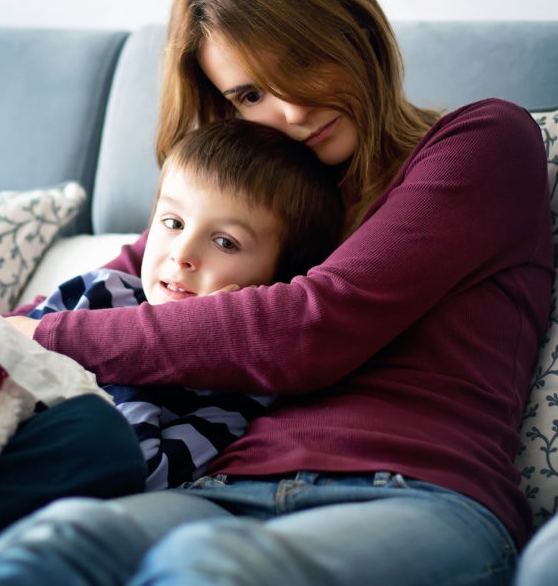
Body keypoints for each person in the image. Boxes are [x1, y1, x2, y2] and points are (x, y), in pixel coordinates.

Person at [0, 0, 556, 586]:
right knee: (57, 541)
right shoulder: (247, 210)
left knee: (206, 566)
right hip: (217, 489)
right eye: (250, 95)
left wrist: (42, 336)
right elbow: (91, 297)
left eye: (302, 62)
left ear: (357, 30)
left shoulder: (481, 142)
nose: (291, 111)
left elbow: (311, 329)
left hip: (413, 493)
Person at [25, 117, 345, 493]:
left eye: (225, 242)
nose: (182, 254)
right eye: (173, 223)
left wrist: (145, 355)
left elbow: (142, 472)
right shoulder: (98, 290)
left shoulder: (237, 392)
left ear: (276, 283)